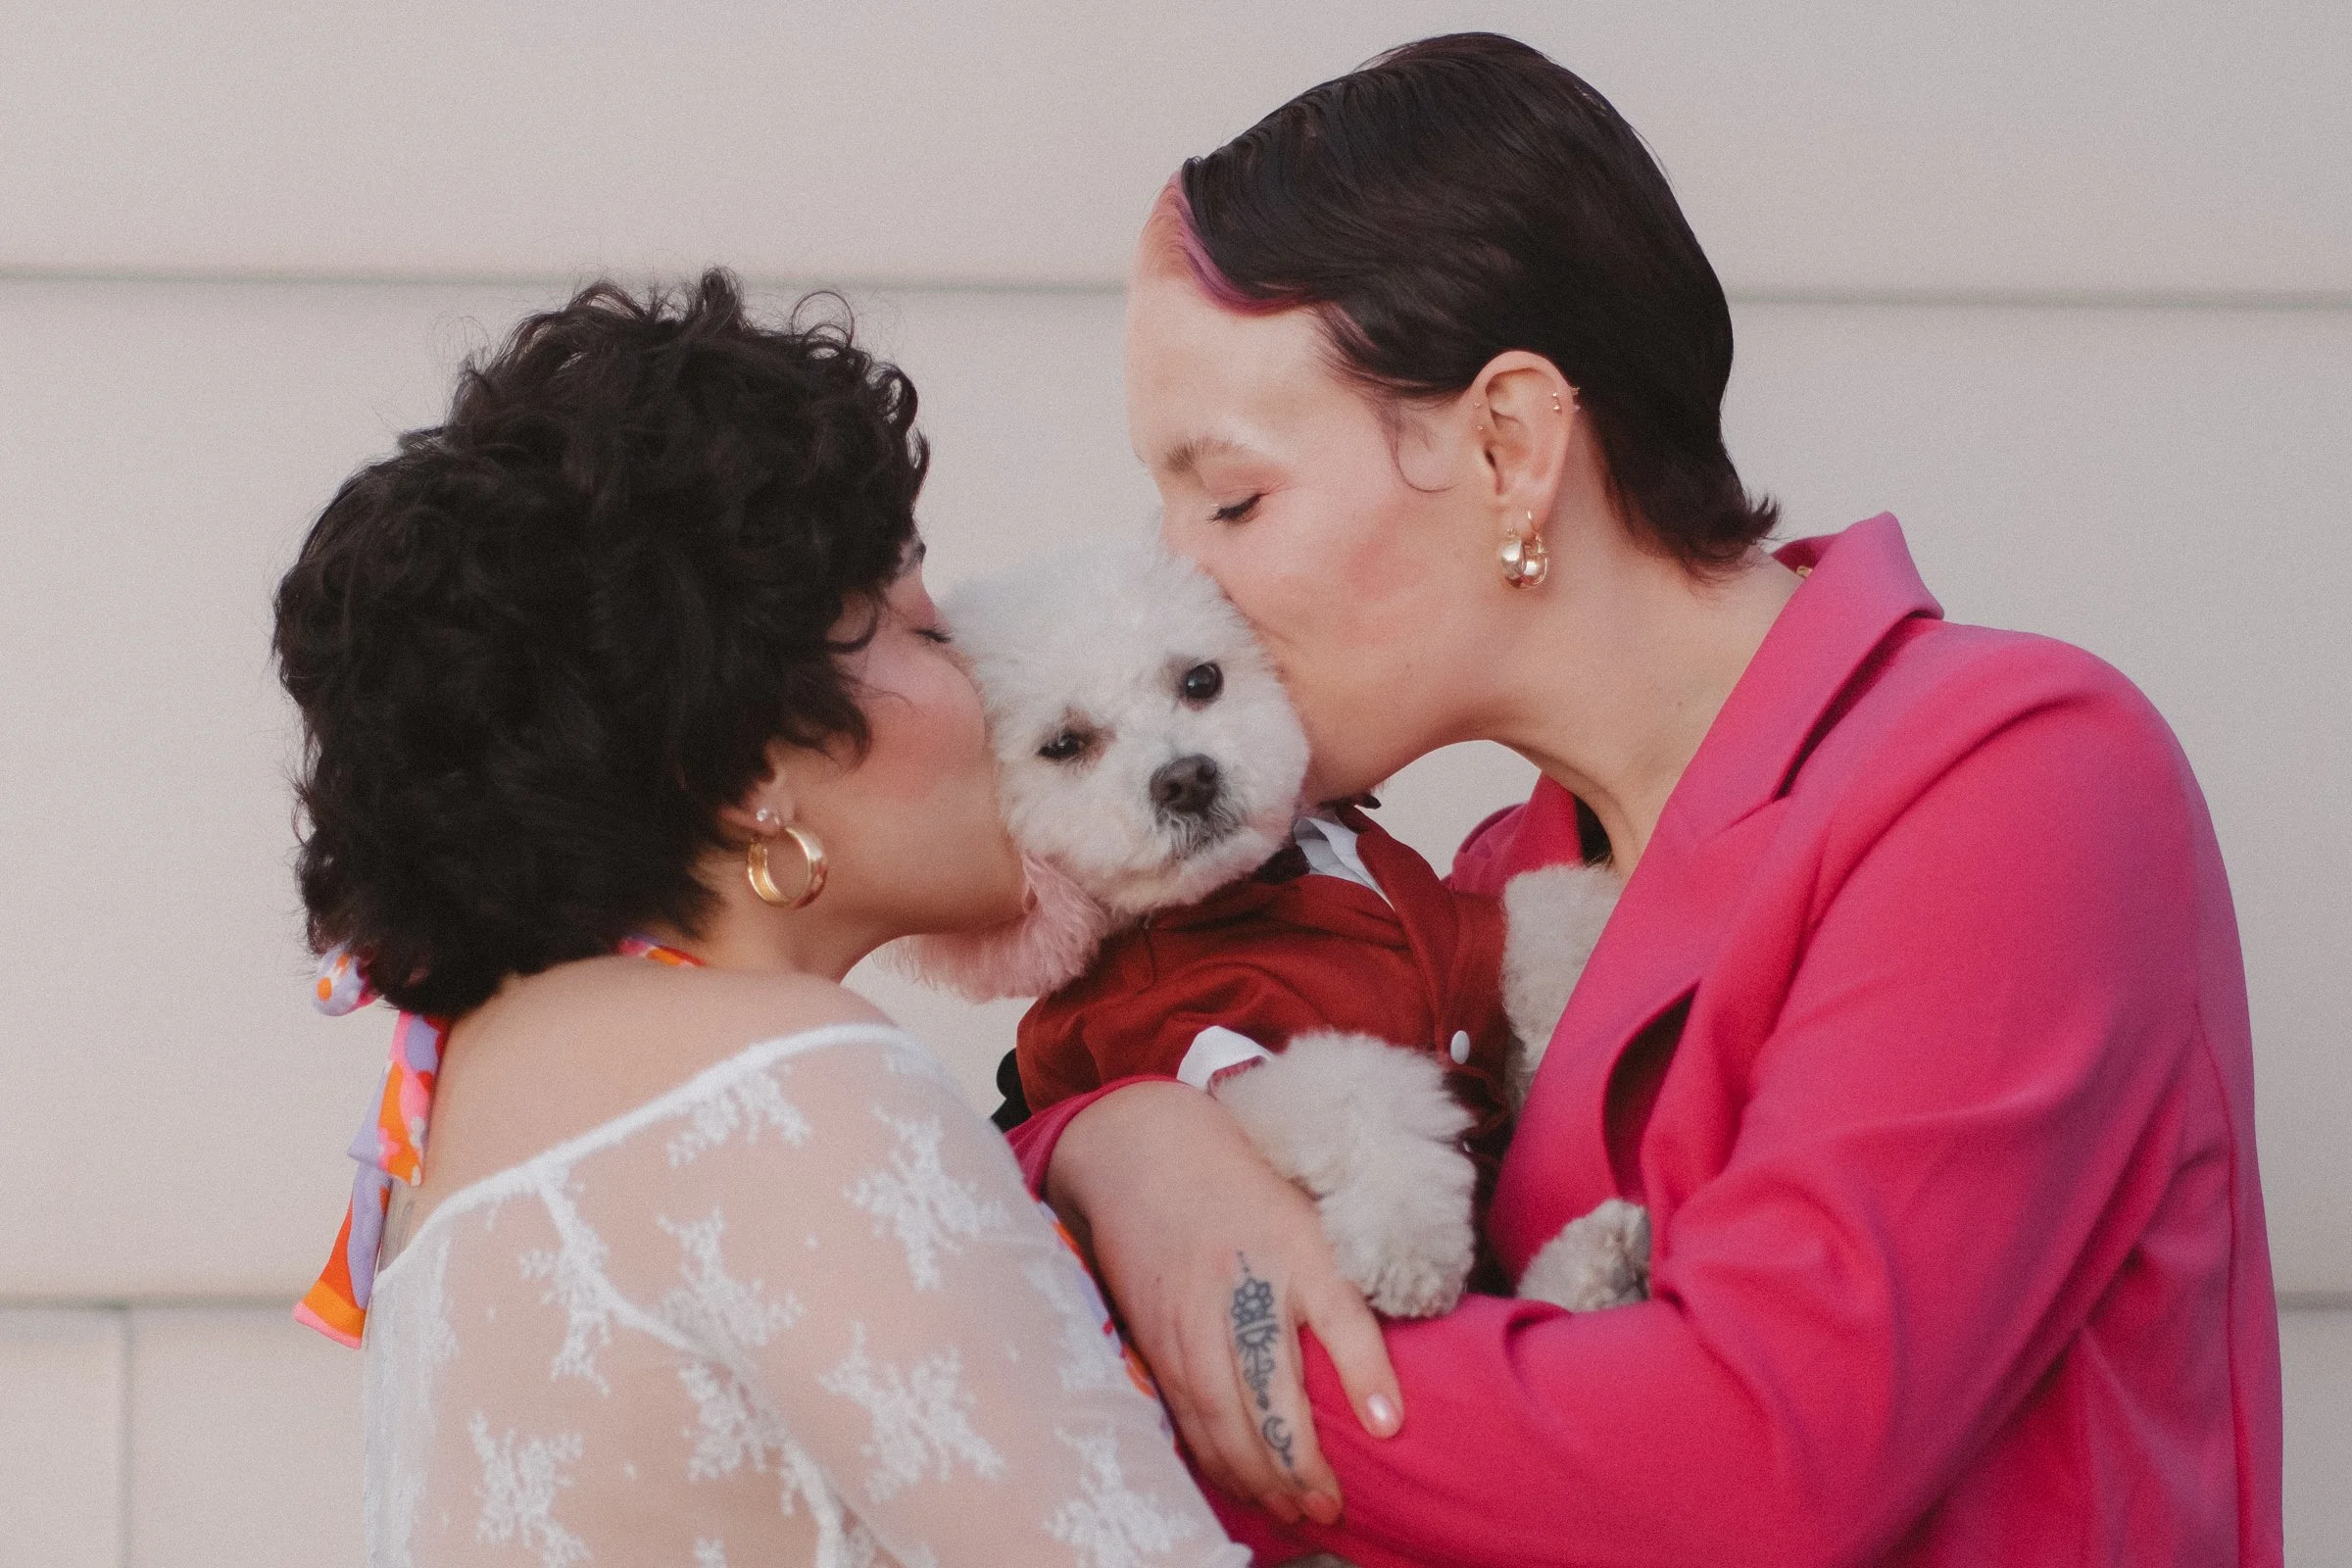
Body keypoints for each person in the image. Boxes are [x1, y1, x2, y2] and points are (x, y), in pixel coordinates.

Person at [1005, 33, 2284, 1566]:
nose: (1178, 572)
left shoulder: (2018, 777)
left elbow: (1751, 1463)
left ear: (1510, 444)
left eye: (1229, 497)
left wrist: (1190, 1312)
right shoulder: (1488, 880)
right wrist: (1105, 1140)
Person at [273, 273, 1249, 1568]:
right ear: (751, 773)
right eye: (917, 624)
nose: (977, 671)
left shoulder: (487, 1096)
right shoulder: (781, 1080)